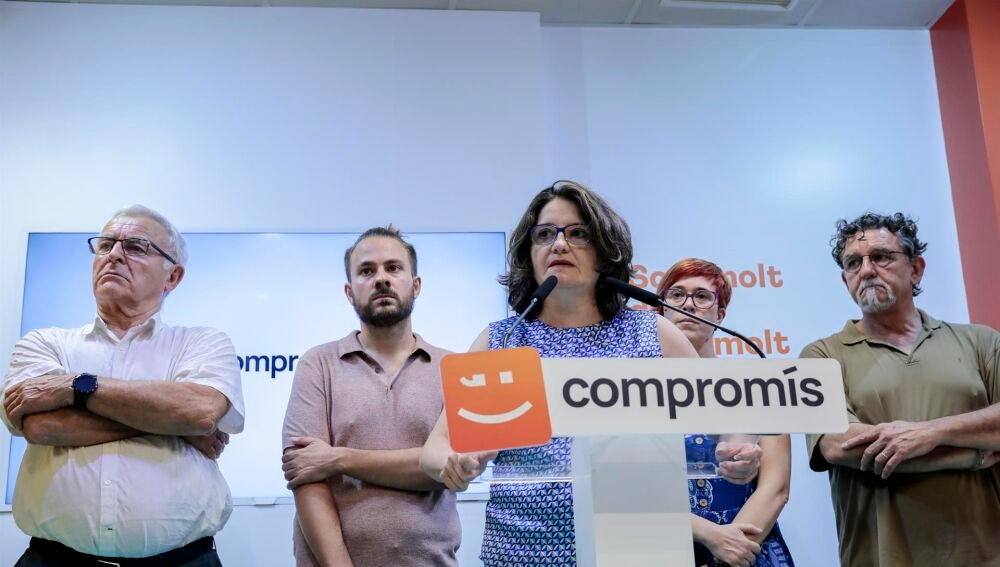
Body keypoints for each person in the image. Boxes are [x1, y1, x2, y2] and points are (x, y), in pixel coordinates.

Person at [421, 181, 759, 565]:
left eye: (578, 233)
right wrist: (453, 462)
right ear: (529, 254)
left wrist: (737, 449)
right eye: (544, 235)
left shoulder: (651, 333)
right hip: (523, 552)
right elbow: (436, 447)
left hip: (636, 549)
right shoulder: (504, 339)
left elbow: (726, 416)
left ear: (606, 250)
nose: (558, 245)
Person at [1, 205, 244, 566]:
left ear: (173, 276)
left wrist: (73, 387)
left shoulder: (202, 343)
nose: (113, 255)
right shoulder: (45, 343)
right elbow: (42, 426)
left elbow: (200, 412)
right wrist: (175, 426)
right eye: (105, 245)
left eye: (135, 246)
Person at [803, 212, 1000, 566]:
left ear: (916, 269)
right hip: (881, 557)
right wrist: (971, 454)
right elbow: (838, 444)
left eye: (880, 257)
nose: (866, 270)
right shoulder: (821, 355)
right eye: (853, 263)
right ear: (845, 279)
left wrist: (930, 433)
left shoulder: (980, 341)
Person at [281, 226, 460, 567]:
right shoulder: (317, 364)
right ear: (349, 292)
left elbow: (445, 468)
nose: (381, 279)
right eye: (367, 271)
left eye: (393, 268)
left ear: (416, 285)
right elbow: (306, 474)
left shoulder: (453, 369)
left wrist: (338, 459)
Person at [657, 258, 794, 567]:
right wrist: (711, 537)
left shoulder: (757, 383)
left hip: (747, 552)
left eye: (702, 296)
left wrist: (731, 549)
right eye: (676, 295)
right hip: (663, 549)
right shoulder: (631, 389)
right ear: (661, 310)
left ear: (720, 314)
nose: (688, 305)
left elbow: (775, 487)